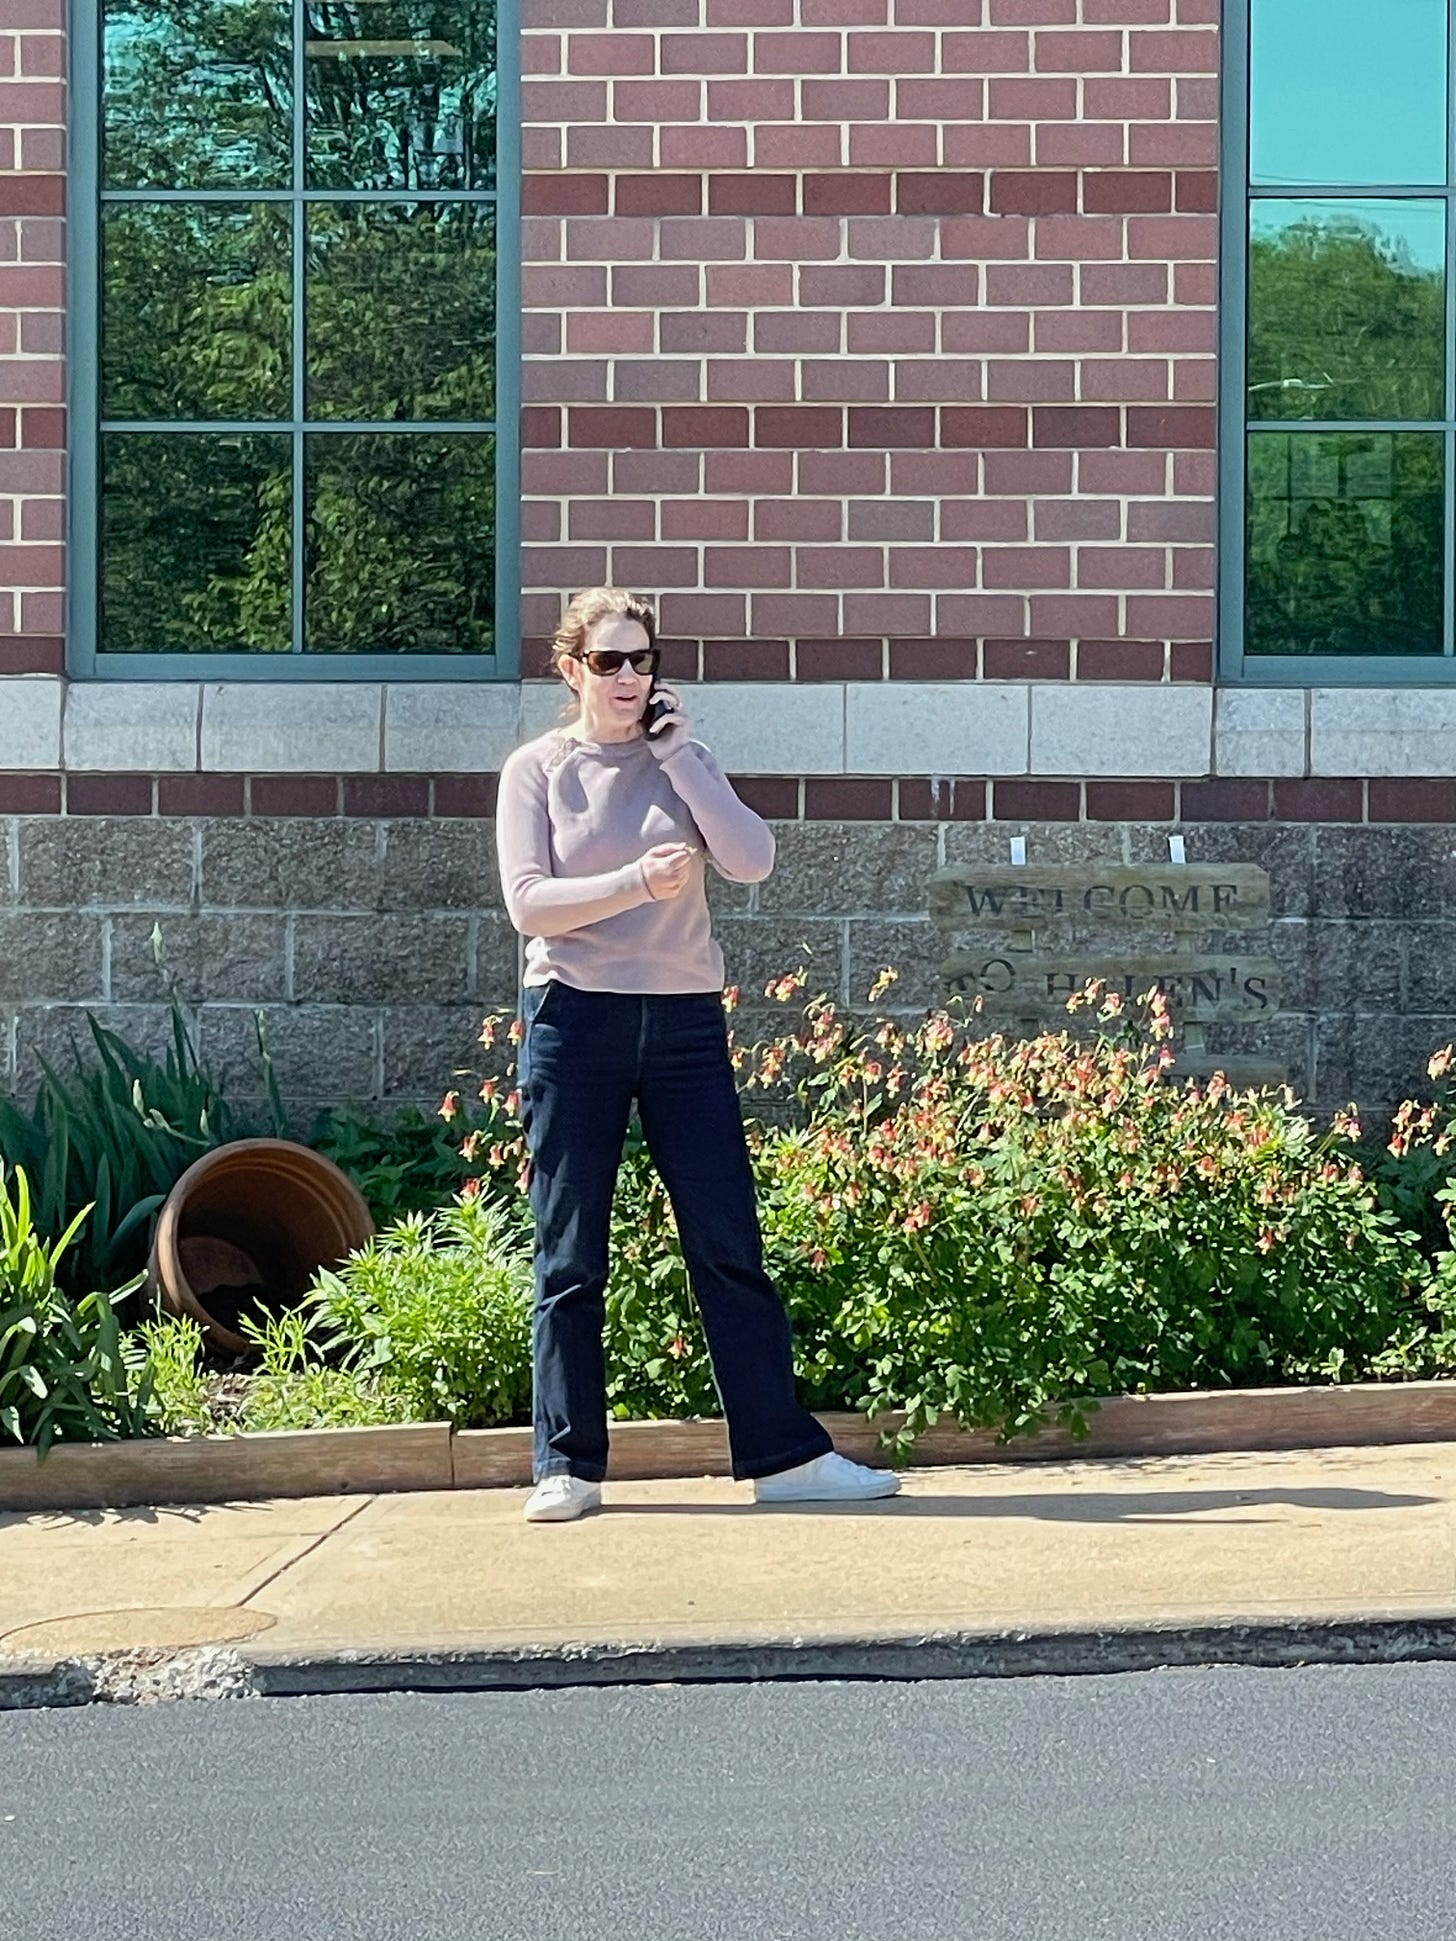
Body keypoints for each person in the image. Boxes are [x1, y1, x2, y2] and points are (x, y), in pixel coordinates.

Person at [496, 585, 902, 1523]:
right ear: (571, 670)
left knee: (728, 1242)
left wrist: (682, 758)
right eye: (609, 661)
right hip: (574, 1020)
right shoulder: (537, 770)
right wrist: (635, 882)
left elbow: (752, 858)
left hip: (683, 1023)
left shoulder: (684, 759)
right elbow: (529, 904)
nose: (629, 677)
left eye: (642, 660)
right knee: (570, 1252)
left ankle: (784, 1455)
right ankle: (566, 1464)